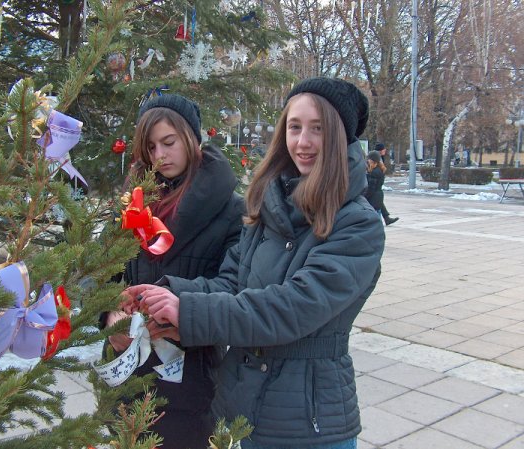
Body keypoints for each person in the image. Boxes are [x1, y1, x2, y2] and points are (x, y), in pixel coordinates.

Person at [122, 77, 385, 448]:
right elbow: (231, 283)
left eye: (318, 129)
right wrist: (164, 296)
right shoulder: (268, 207)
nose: (303, 142)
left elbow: (292, 307)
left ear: (341, 137)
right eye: (294, 127)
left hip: (309, 423)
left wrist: (191, 313)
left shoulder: (357, 223)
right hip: (248, 409)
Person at [102, 94, 244, 449]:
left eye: (169, 142)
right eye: (150, 147)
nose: (160, 156)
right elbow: (102, 272)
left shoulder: (231, 210)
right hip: (130, 375)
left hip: (191, 379)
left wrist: (172, 298)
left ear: (192, 139)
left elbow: (234, 285)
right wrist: (109, 313)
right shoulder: (135, 204)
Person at [373, 142, 399, 225]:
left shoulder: (380, 157)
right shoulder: (376, 158)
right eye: (384, 149)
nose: (385, 150)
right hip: (374, 185)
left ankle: (386, 218)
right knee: (377, 202)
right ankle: (382, 220)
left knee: (378, 201)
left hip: (377, 185)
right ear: (381, 150)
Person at [364, 150, 385, 216]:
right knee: (377, 215)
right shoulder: (380, 169)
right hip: (379, 196)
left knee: (374, 216)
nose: (368, 161)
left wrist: (364, 196)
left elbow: (371, 188)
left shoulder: (374, 172)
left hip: (373, 198)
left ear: (373, 160)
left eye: (369, 159)